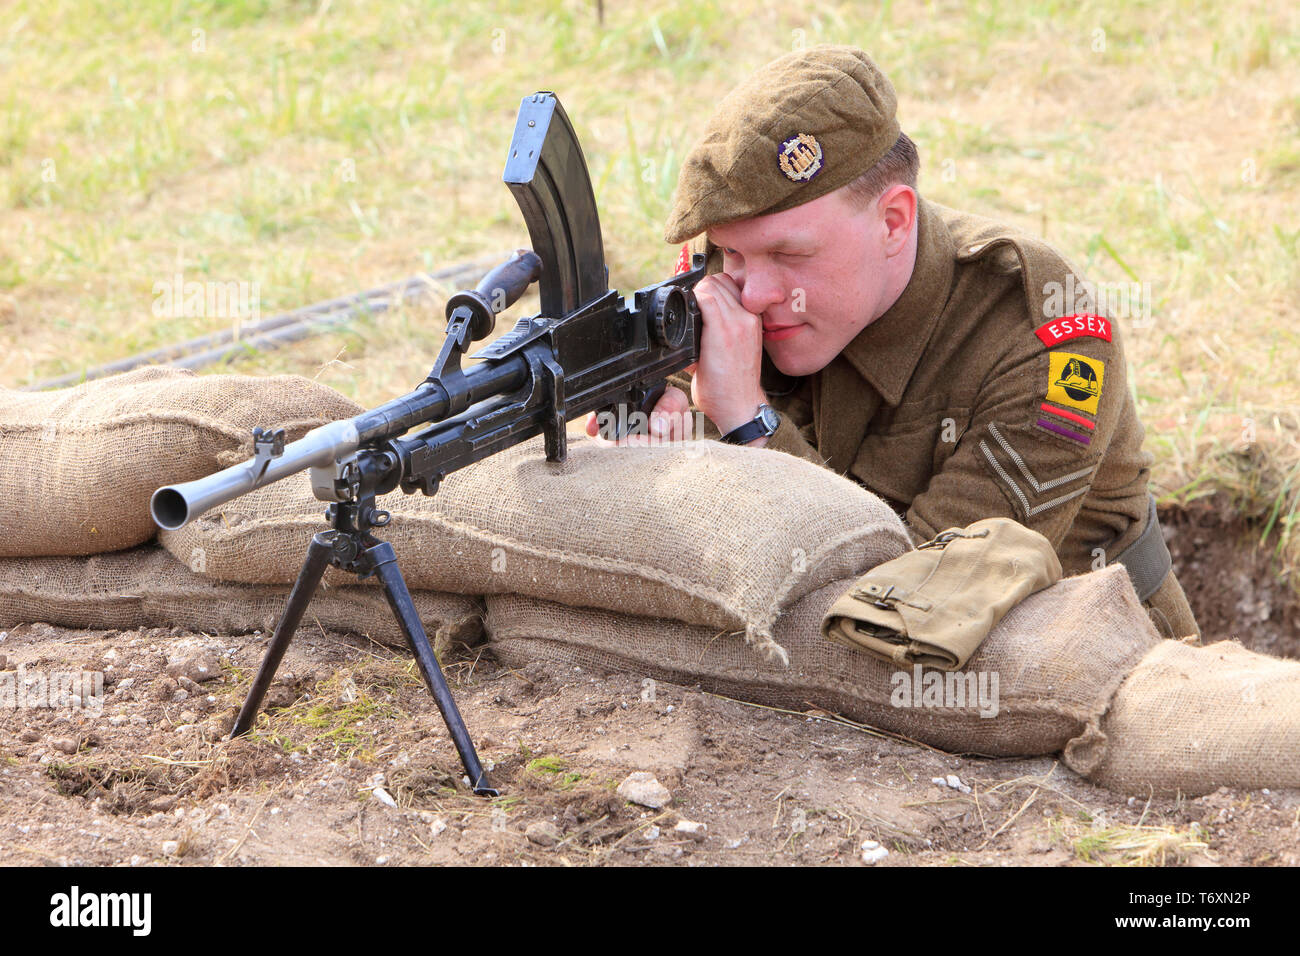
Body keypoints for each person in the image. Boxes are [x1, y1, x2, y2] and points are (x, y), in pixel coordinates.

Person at [586, 44, 1198, 640]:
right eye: (736, 254)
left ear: (893, 221)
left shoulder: (1047, 338)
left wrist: (751, 425)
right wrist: (654, 412)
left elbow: (916, 598)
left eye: (790, 254)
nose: (754, 294)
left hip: (1088, 666)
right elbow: (663, 407)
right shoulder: (731, 282)